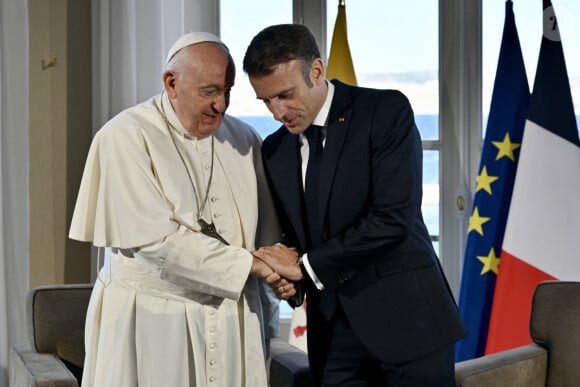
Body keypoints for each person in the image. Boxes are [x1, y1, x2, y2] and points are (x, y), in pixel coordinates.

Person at [245, 24, 467, 386]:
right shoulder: (274, 149)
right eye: (265, 100)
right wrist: (291, 280)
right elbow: (296, 234)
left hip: (410, 326)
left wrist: (305, 267)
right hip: (332, 340)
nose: (277, 111)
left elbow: (392, 219)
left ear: (316, 71)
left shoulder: (385, 110)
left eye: (285, 95)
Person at [69, 32, 283, 387]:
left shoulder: (244, 139)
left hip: (231, 323)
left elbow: (268, 235)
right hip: (151, 321)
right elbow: (154, 244)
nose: (221, 105)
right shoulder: (124, 136)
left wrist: (278, 272)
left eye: (228, 91)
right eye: (210, 91)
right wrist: (256, 265)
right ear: (172, 83)